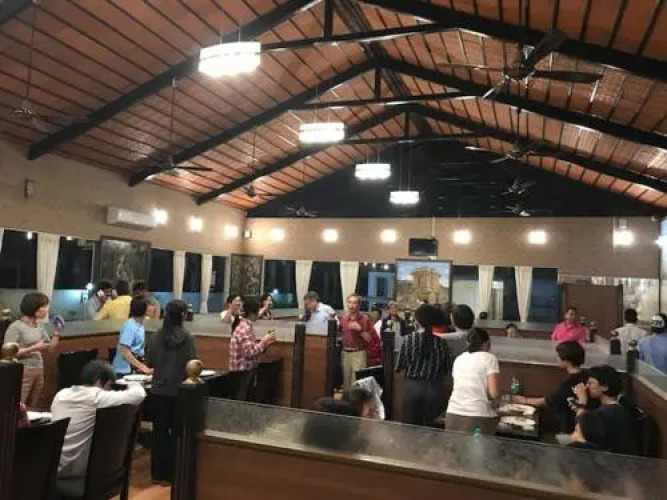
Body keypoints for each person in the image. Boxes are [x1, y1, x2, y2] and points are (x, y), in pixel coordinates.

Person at [51, 360, 146, 480]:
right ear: (102, 381)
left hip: (53, 466)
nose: (109, 390)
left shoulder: (61, 394)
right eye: (109, 386)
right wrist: (133, 382)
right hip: (79, 469)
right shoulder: (97, 396)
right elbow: (139, 395)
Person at [146, 300, 197, 484]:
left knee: (159, 433)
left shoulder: (155, 337)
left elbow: (150, 361)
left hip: (158, 389)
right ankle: (174, 473)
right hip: (179, 390)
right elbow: (192, 363)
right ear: (183, 315)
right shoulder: (188, 338)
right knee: (177, 432)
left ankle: (157, 474)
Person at [512, 341, 595, 432]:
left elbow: (549, 400)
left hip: (573, 427)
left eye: (559, 356)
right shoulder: (588, 376)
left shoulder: (568, 383)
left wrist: (525, 400)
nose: (557, 359)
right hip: (590, 424)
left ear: (566, 360)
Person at [396, 304, 451, 427]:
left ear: (417, 320)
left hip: (412, 388)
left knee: (410, 429)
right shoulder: (441, 343)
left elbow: (399, 366)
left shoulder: (408, 339)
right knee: (432, 430)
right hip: (435, 389)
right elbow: (446, 369)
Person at [5, 292, 61, 407]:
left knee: (33, 406)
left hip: (39, 369)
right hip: (23, 370)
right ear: (35, 308)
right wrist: (34, 348)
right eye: (44, 306)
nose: (46, 310)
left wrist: (57, 331)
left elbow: (51, 348)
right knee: (19, 405)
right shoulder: (16, 327)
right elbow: (8, 353)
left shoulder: (39, 326)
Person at [572, 365, 638, 455]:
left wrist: (582, 402)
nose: (587, 386)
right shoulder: (615, 407)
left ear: (605, 387)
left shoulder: (610, 412)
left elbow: (582, 431)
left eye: (591, 383)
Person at [446, 328, 500, 435]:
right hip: (477, 416)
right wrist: (496, 401)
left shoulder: (459, 359)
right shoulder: (490, 358)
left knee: (454, 445)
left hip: (453, 413)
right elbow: (494, 393)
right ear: (486, 343)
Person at [229, 297, 276, 373]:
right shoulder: (244, 328)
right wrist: (264, 340)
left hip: (245, 372)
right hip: (241, 374)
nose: (259, 313)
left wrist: (267, 343)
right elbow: (250, 353)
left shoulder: (246, 325)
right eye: (258, 311)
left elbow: (252, 349)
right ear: (252, 313)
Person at [339, 294, 375, 391]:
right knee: (346, 384)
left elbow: (369, 339)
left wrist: (360, 330)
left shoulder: (365, 319)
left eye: (354, 303)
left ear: (359, 305)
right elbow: (340, 333)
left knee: (357, 384)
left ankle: (356, 401)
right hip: (345, 353)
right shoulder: (343, 319)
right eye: (349, 302)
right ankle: (347, 401)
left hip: (358, 353)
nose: (351, 305)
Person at [112, 296, 152, 376]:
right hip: (123, 371)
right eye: (149, 305)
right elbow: (125, 352)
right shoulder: (129, 325)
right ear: (142, 308)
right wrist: (143, 368)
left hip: (133, 368)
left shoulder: (140, 324)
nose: (152, 308)